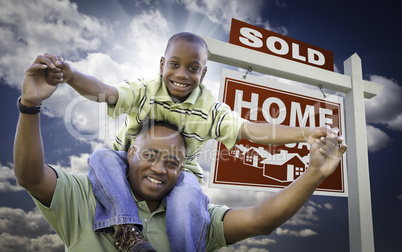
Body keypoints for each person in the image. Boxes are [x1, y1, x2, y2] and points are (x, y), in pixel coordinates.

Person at [13, 55, 347, 252]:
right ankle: (127, 229)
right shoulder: (145, 91)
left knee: (189, 190)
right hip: (114, 169)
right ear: (162, 65)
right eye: (174, 64)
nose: (182, 74)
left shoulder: (211, 112)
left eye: (192, 68)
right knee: (101, 158)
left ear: (203, 73)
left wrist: (308, 146)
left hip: (187, 184)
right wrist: (64, 80)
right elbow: (105, 92)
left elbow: (251, 132)